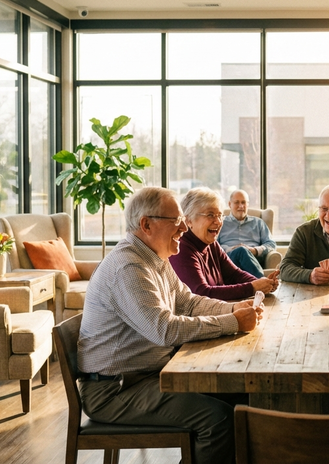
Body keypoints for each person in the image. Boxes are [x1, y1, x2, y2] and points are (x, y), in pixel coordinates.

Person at [77, 186, 262, 464]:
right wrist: (231, 322)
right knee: (218, 420)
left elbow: (188, 302)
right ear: (146, 224)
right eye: (176, 221)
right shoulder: (129, 267)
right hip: (117, 390)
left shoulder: (156, 258)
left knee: (242, 394)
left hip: (145, 376)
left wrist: (234, 308)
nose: (184, 229)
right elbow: (164, 330)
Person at [170, 187, 279, 301]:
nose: (218, 222)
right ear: (188, 220)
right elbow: (201, 294)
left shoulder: (211, 244)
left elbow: (234, 274)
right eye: (210, 215)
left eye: (220, 215)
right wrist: (252, 288)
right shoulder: (181, 249)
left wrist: (262, 283)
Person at [218, 189, 277, 279]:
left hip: (254, 259)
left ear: (248, 204)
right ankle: (262, 281)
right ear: (230, 204)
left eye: (243, 202)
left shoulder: (258, 223)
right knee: (241, 250)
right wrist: (228, 249)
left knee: (243, 251)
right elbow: (212, 244)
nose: (241, 206)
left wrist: (254, 250)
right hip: (229, 259)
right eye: (237, 202)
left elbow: (271, 244)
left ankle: (258, 283)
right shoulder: (221, 222)